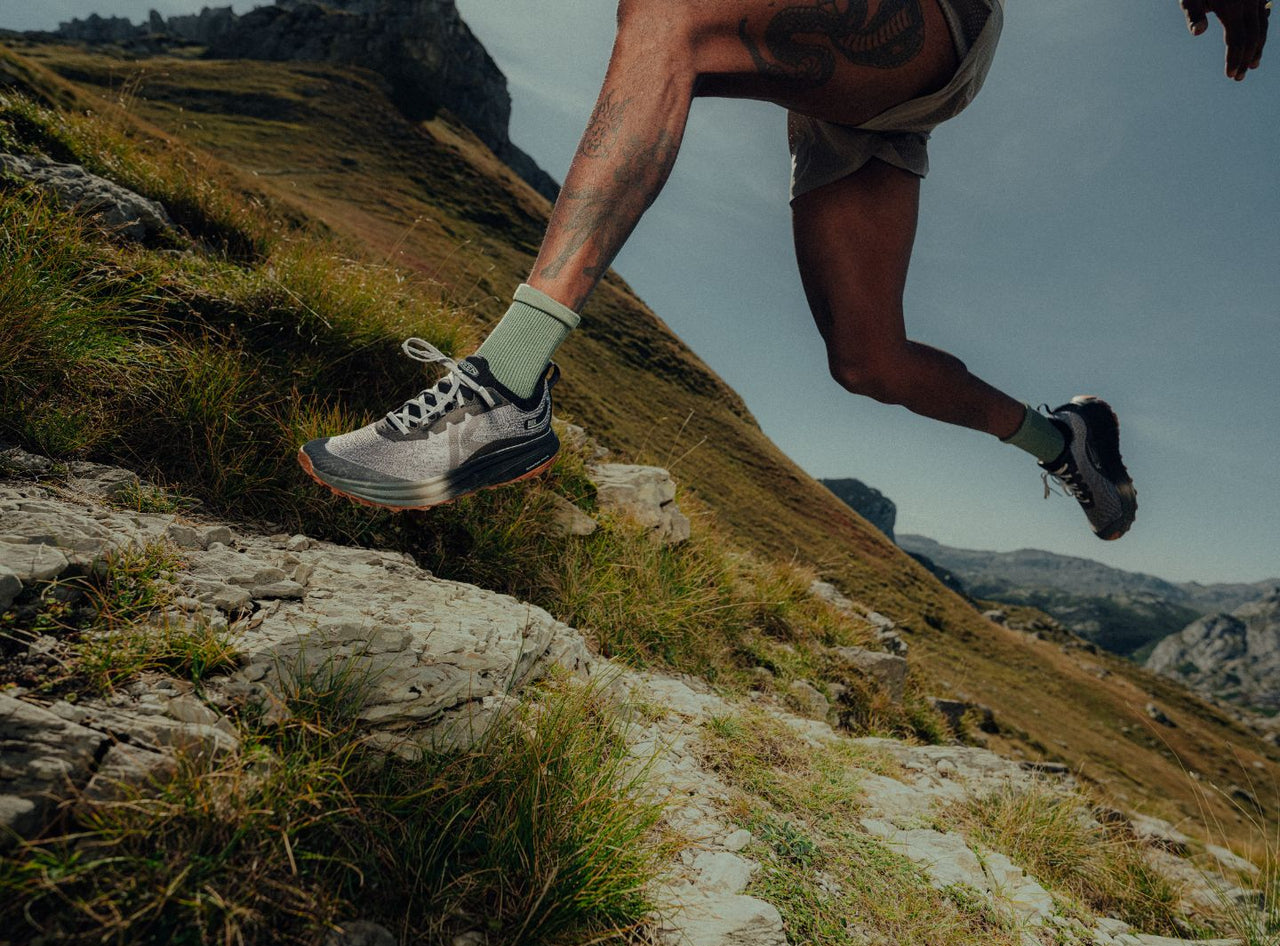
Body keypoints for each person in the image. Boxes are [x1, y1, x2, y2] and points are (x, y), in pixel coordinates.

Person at [298, 0, 1268, 540]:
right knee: (867, 359)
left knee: (667, 14)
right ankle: (1064, 442)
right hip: (866, 89)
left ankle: (504, 387)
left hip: (921, 18)